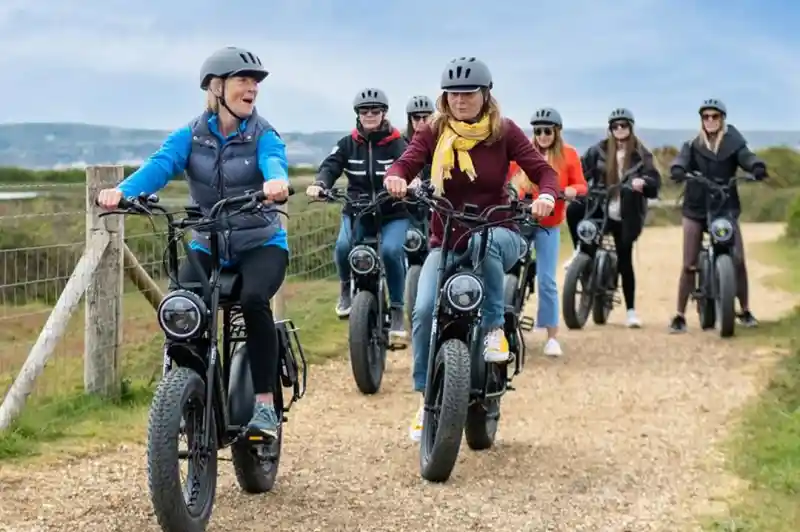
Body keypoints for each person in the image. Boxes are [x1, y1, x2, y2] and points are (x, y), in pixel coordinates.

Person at [96, 46, 289, 441]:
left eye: (255, 83)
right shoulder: (191, 135)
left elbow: (274, 162)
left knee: (253, 300)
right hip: (207, 243)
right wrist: (122, 192)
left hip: (261, 242)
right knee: (182, 307)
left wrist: (276, 182)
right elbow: (161, 165)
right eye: (243, 81)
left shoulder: (264, 135)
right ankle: (191, 391)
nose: (252, 89)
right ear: (217, 88)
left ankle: (266, 406)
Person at [383, 57, 559, 442]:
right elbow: (407, 162)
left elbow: (544, 171)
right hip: (445, 240)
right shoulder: (433, 131)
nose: (460, 100)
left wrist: (546, 195)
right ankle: (424, 398)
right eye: (453, 93)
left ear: (485, 95)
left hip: (501, 233)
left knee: (485, 242)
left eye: (468, 93)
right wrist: (396, 178)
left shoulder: (505, 131)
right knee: (426, 307)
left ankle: (495, 329)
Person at [305, 88, 410, 342]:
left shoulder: (398, 143)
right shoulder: (347, 144)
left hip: (393, 213)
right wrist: (320, 184)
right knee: (343, 247)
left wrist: (410, 183)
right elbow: (330, 166)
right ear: (358, 115)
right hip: (357, 211)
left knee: (391, 252)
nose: (370, 115)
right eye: (365, 111)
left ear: (384, 113)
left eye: (375, 110)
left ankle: (397, 308)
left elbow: (409, 165)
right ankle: (345, 289)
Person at [667, 99, 767, 332]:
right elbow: (681, 159)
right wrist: (678, 168)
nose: (710, 120)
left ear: (723, 119)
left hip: (725, 206)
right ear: (701, 120)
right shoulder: (692, 144)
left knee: (738, 259)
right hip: (696, 207)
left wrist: (756, 166)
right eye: (706, 117)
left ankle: (745, 310)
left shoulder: (734, 142)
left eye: (715, 116)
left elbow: (746, 157)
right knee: (689, 262)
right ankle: (680, 315)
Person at [565, 108, 661, 328]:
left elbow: (653, 180)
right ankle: (578, 252)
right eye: (615, 126)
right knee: (573, 211)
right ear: (610, 129)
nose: (619, 130)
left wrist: (643, 183)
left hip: (626, 211)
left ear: (630, 128)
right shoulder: (598, 150)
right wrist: (573, 185)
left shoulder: (640, 153)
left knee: (624, 257)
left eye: (623, 126)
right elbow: (581, 171)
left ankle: (631, 311)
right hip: (600, 204)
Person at [509, 107, 587, 356]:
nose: (542, 136)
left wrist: (573, 191)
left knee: (547, 280)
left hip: (549, 224)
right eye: (538, 131)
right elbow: (505, 180)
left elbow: (581, 184)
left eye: (547, 131)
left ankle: (552, 336)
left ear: (557, 132)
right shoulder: (522, 154)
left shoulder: (568, 155)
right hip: (521, 221)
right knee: (505, 268)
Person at [404, 95, 435, 228]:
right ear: (410, 119)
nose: (421, 121)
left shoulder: (440, 140)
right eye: (416, 118)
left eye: (425, 117)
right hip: (409, 198)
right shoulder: (401, 142)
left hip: (435, 196)